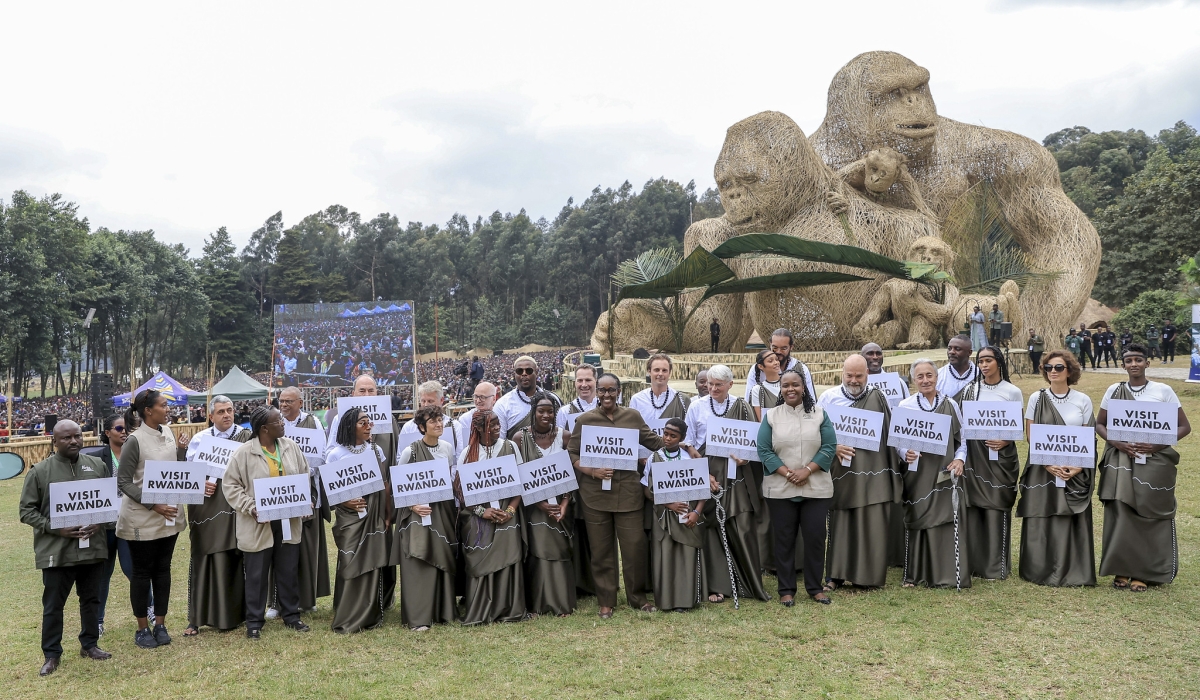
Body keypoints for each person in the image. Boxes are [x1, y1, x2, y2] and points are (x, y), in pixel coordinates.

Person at [20, 420, 113, 676]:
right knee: (53, 605)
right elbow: (26, 511)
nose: (73, 441)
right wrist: (55, 528)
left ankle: (90, 645)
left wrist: (99, 522)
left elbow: (109, 504)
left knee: (91, 599)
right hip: (56, 551)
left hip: (92, 548)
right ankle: (51, 654)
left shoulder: (97, 466)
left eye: (77, 436)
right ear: (55, 441)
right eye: (66, 438)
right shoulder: (40, 471)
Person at [1096, 343, 1191, 591]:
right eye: (1129, 360)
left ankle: (1142, 573)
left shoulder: (1163, 390)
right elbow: (1100, 424)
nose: (1134, 364)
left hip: (1154, 462)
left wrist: (1155, 446)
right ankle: (1122, 569)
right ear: (1123, 364)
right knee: (1121, 512)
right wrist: (1120, 444)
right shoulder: (1114, 390)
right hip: (1121, 460)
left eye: (1139, 359)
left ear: (1147, 363)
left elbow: (1184, 427)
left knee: (1147, 513)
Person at [569, 373, 664, 618]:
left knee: (634, 548)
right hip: (595, 495)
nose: (607, 395)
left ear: (619, 391)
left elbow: (653, 441)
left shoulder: (631, 416)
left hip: (628, 493)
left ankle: (638, 597)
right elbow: (571, 454)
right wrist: (592, 471)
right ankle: (606, 601)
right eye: (602, 390)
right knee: (601, 550)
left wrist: (682, 446)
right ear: (597, 392)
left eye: (612, 390)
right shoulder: (585, 420)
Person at [222, 407, 312, 639]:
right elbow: (230, 486)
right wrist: (250, 506)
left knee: (287, 569)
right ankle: (254, 620)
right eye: (278, 421)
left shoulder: (291, 447)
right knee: (256, 573)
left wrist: (304, 500)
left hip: (287, 520)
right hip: (258, 523)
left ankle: (290, 615)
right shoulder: (243, 453)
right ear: (264, 429)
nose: (283, 423)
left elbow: (304, 473)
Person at [685, 364, 770, 604]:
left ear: (730, 385)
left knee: (742, 523)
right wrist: (704, 475)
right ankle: (719, 585)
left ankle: (751, 583)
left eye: (718, 385)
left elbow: (754, 441)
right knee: (712, 528)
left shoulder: (741, 407)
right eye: (709, 384)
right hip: (709, 473)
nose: (712, 388)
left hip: (738, 476)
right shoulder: (696, 406)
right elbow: (689, 445)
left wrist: (746, 457)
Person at [817, 355, 901, 590]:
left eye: (859, 376)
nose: (854, 381)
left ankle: (867, 577)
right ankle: (835, 576)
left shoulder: (878, 396)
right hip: (841, 473)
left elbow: (891, 431)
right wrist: (832, 447)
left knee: (871, 523)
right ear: (842, 374)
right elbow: (813, 432)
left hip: (872, 472)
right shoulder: (828, 398)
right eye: (849, 376)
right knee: (840, 524)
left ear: (868, 374)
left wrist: (906, 454)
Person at [1016, 350, 1096, 587]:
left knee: (1069, 518)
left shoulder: (1082, 400)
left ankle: (1072, 570)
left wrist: (1078, 467)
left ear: (1069, 371)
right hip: (1044, 467)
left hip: (1073, 468)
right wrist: (1047, 463)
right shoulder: (1036, 398)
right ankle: (1038, 570)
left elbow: (1088, 436)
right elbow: (1031, 434)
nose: (1053, 371)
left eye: (1058, 367)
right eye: (1048, 368)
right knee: (1042, 515)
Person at [758, 370, 837, 605]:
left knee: (815, 538)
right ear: (780, 389)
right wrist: (788, 474)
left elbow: (829, 446)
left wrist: (807, 471)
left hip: (815, 488)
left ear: (804, 387)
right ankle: (786, 590)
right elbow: (764, 450)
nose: (790, 389)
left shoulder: (820, 414)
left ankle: (815, 588)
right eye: (785, 386)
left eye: (795, 385)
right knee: (784, 540)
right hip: (781, 489)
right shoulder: (771, 416)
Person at [116, 390, 186, 649]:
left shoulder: (167, 432)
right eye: (164, 405)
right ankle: (142, 628)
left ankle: (161, 624)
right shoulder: (134, 441)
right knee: (142, 573)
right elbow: (123, 481)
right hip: (142, 518)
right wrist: (152, 504)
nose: (168, 409)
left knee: (163, 569)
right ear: (148, 410)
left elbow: (173, 471)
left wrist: (181, 451)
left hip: (168, 515)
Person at [897, 360, 970, 589]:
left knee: (946, 519)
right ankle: (915, 574)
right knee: (917, 517)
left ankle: (946, 573)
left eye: (929, 375)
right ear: (913, 380)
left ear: (937, 377)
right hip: (917, 474)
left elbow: (962, 440)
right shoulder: (905, 405)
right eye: (920, 376)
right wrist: (903, 453)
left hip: (943, 473)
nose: (925, 380)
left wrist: (959, 459)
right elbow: (897, 441)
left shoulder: (950, 404)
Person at [182, 396, 251, 636]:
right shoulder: (200, 439)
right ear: (211, 416)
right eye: (221, 411)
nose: (227, 415)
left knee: (235, 555)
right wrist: (200, 483)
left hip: (235, 505)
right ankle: (197, 617)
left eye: (230, 410)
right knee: (205, 558)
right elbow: (189, 475)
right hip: (207, 508)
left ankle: (236, 614)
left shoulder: (245, 436)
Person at [326, 407, 396, 632]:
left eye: (369, 422)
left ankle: (371, 610)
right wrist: (347, 503)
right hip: (349, 518)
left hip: (374, 515)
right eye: (362, 423)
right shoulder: (336, 454)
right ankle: (347, 608)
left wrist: (386, 516)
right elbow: (331, 489)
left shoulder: (376, 450)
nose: (369, 426)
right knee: (350, 560)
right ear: (349, 427)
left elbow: (385, 484)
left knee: (372, 560)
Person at [958, 347, 1023, 580]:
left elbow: (1018, 427)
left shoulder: (1012, 391)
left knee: (996, 505)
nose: (984, 365)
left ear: (999, 362)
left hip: (1001, 459)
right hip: (975, 456)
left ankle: (995, 567)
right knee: (974, 507)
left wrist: (1005, 440)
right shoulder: (970, 390)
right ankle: (974, 563)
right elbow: (959, 421)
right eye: (980, 361)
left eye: (988, 360)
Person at [457, 410, 527, 625]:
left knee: (508, 556)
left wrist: (511, 511)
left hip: (508, 513)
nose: (497, 428)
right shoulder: (468, 453)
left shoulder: (510, 447)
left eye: (498, 424)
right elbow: (460, 492)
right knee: (480, 557)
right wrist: (482, 511)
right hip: (479, 517)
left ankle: (509, 609)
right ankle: (481, 609)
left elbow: (521, 482)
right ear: (478, 428)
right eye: (492, 425)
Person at [392, 405, 458, 630]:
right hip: (417, 513)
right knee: (419, 557)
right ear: (421, 427)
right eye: (433, 421)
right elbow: (398, 486)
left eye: (440, 420)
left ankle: (443, 612)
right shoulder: (410, 451)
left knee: (443, 555)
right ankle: (418, 617)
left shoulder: (448, 447)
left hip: (442, 511)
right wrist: (413, 506)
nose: (439, 424)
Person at [515, 393, 577, 617]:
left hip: (562, 505)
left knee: (560, 552)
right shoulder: (520, 439)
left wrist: (564, 503)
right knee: (538, 552)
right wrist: (540, 503)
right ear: (533, 412)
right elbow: (517, 476)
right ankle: (538, 604)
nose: (546, 415)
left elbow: (571, 472)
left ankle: (562, 602)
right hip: (534, 507)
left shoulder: (566, 436)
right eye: (541, 410)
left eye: (550, 411)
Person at [275, 386, 330, 615]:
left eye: (289, 401)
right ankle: (276, 601)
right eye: (282, 401)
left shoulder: (312, 423)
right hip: (279, 491)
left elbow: (322, 456)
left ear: (300, 402)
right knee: (279, 544)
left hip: (307, 490)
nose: (284, 405)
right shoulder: (274, 421)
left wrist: (305, 474)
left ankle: (307, 600)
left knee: (307, 547)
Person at [643, 418, 707, 611]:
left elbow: (703, 490)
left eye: (673, 436)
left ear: (682, 438)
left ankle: (686, 600)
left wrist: (697, 512)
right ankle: (667, 600)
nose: (668, 438)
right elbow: (646, 490)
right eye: (665, 434)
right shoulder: (654, 458)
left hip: (688, 515)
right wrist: (669, 504)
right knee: (666, 556)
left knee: (686, 555)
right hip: (663, 516)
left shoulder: (690, 459)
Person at [861, 342, 907, 566]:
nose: (875, 357)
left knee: (893, 495)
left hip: (893, 446)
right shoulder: (856, 382)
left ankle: (894, 551)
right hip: (865, 449)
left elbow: (906, 409)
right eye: (870, 353)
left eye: (878, 353)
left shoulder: (896, 383)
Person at [95, 414, 131, 637]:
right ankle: (97, 620)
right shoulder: (97, 458)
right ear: (108, 432)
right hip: (105, 526)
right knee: (102, 575)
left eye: (127, 428)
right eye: (119, 428)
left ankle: (148, 607)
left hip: (128, 522)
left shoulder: (134, 454)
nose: (124, 432)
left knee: (133, 570)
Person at [323, 373, 402, 468]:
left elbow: (398, 451)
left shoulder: (389, 418)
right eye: (362, 391)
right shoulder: (341, 418)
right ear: (353, 394)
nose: (367, 395)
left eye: (371, 390)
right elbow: (330, 453)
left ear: (377, 393)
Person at [495, 355, 561, 440]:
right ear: (514, 374)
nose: (524, 374)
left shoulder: (553, 399)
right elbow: (500, 442)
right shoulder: (502, 405)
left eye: (529, 371)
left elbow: (561, 433)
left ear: (536, 372)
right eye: (519, 371)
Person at [744, 329, 815, 403]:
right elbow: (749, 399)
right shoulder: (757, 369)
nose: (778, 351)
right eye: (775, 347)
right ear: (770, 344)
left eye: (783, 348)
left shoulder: (801, 369)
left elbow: (812, 400)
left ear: (791, 347)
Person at [399, 381, 459, 454]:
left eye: (430, 401)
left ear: (442, 400)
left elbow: (459, 457)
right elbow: (400, 458)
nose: (426, 405)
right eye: (423, 401)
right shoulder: (408, 427)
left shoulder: (455, 426)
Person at [457, 381, 507, 450]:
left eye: (482, 397)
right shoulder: (465, 419)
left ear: (494, 399)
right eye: (475, 396)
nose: (478, 401)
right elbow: (465, 445)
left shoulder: (501, 415)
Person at [936, 335, 978, 399]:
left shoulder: (980, 375)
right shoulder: (938, 375)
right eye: (949, 348)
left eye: (957, 349)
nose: (951, 352)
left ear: (969, 352)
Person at [557, 364, 598, 429]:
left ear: (596, 381)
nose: (584, 385)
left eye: (588, 380)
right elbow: (560, 438)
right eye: (580, 380)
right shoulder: (565, 412)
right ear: (575, 383)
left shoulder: (607, 409)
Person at [749, 349, 782, 422]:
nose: (776, 363)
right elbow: (761, 420)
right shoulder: (757, 390)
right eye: (770, 361)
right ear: (761, 366)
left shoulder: (789, 384)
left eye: (777, 359)